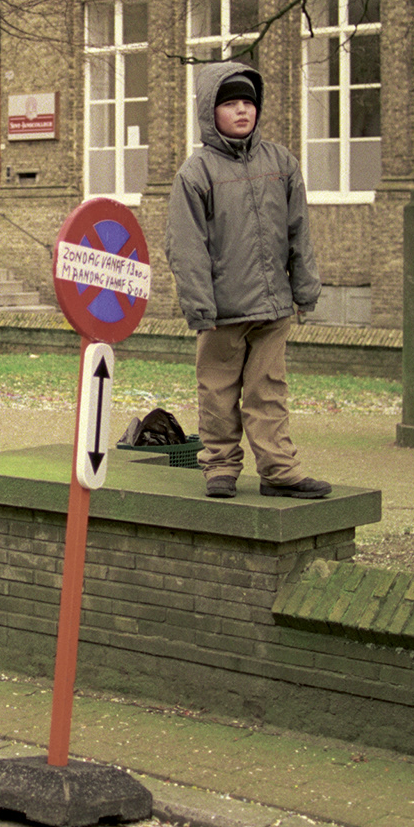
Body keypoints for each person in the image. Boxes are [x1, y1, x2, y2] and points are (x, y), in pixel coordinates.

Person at [167, 62, 329, 501]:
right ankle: (220, 466)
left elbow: (299, 230)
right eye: (230, 103)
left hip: (273, 307)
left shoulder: (281, 163)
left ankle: (279, 470)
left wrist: (305, 289)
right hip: (223, 311)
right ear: (210, 112)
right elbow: (186, 246)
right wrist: (200, 307)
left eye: (248, 102)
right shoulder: (196, 174)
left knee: (269, 392)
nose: (242, 111)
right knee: (217, 392)